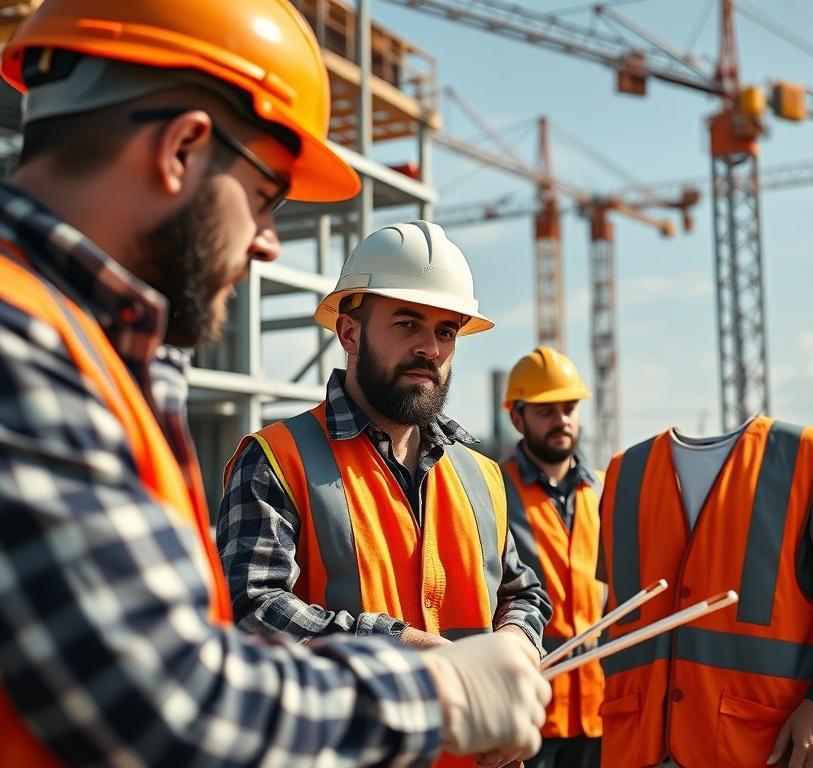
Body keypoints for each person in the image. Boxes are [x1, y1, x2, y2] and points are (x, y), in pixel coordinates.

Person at [0, 2, 549, 765]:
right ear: (183, 148)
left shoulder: (86, 352)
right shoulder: (21, 344)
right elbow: (175, 703)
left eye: (447, 331)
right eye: (265, 199)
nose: (264, 242)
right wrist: (440, 690)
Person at [219, 220, 552, 768]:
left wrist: (515, 649)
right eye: (407, 324)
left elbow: (523, 591)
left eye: (447, 331)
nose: (430, 348)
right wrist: (407, 651)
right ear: (349, 333)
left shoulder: (482, 474)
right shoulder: (277, 459)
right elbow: (252, 614)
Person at [597, 417, 813, 768]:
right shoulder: (624, 472)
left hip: (766, 743)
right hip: (640, 743)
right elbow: (615, 606)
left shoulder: (803, 455)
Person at [500, 347, 605, 768]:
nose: (561, 420)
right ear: (517, 418)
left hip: (599, 707)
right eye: (545, 410)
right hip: (530, 706)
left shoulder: (601, 489)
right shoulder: (493, 491)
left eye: (569, 408)